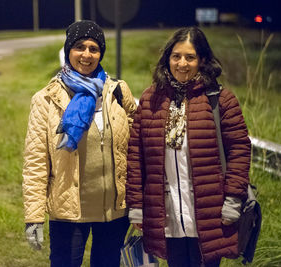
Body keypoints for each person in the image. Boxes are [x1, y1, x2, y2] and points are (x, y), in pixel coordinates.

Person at [126, 27, 251, 267]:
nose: (182, 63)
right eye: (176, 56)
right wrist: (137, 206)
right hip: (167, 216)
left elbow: (239, 151)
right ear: (167, 59)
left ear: (202, 60)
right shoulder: (151, 99)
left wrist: (233, 201)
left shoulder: (220, 99)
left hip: (209, 215)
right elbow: (136, 157)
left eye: (190, 57)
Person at [22, 20, 136, 267]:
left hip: (114, 213)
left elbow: (135, 150)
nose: (86, 54)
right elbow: (36, 162)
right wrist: (33, 217)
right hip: (69, 212)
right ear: (68, 51)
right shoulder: (46, 100)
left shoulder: (117, 91)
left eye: (94, 48)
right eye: (79, 47)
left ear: (100, 53)